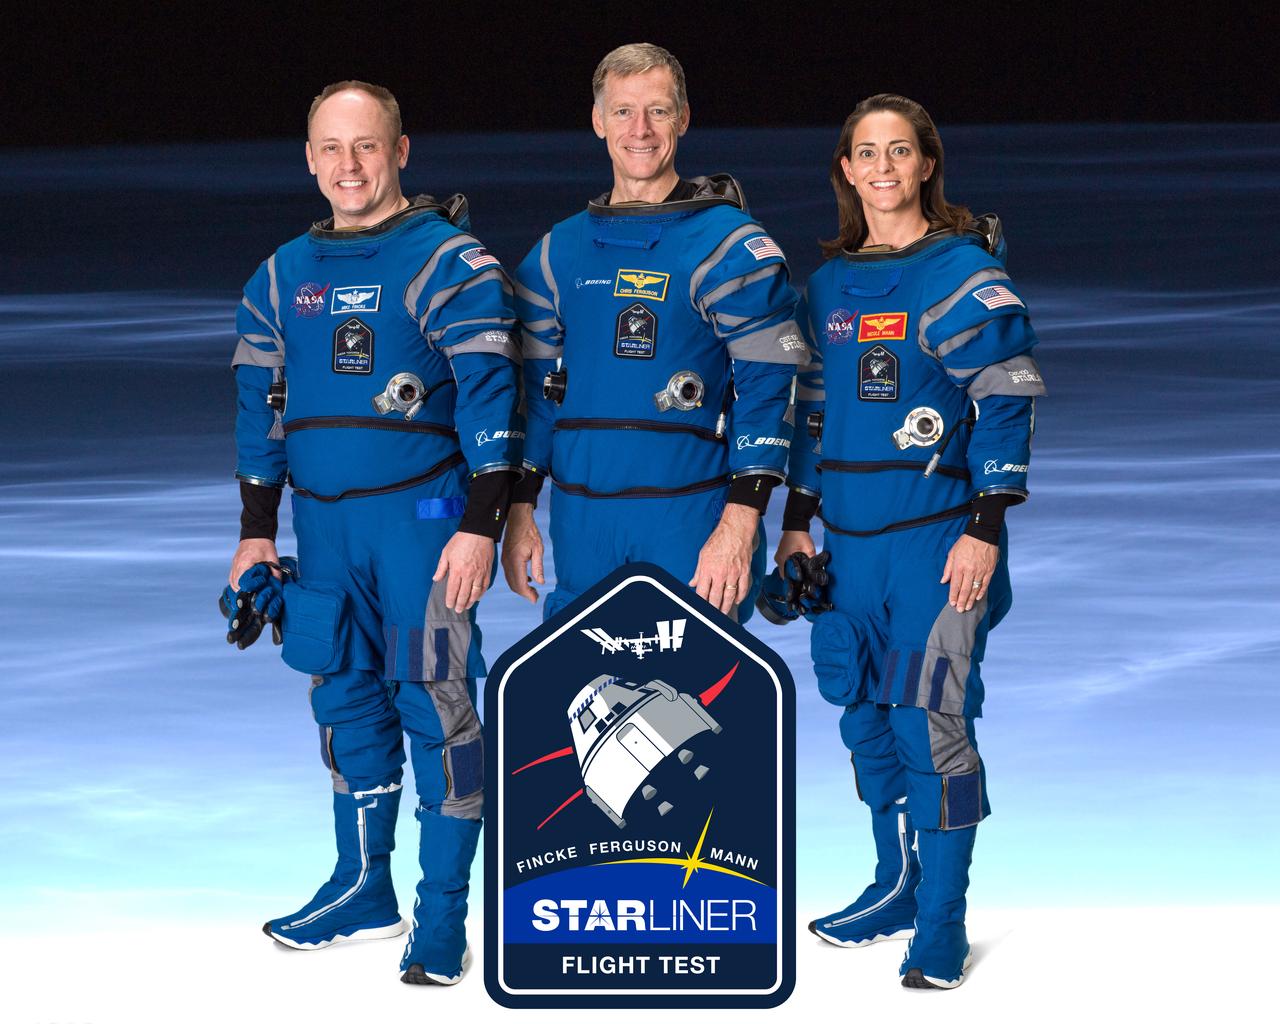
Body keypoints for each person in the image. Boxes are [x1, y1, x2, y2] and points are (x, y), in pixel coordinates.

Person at [229, 80, 523, 985]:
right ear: (310, 157)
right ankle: (364, 887)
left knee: (436, 708)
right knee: (344, 703)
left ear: (402, 152)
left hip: (424, 525)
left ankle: (443, 917)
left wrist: (484, 524)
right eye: (330, 147)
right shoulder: (280, 275)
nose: (348, 165)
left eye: (367, 146)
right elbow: (259, 413)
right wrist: (253, 533)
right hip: (320, 533)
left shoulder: (450, 262)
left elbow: (494, 406)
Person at [775, 94, 1046, 989]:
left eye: (900, 151)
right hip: (848, 547)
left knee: (932, 726)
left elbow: (1004, 402)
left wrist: (986, 527)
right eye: (865, 153)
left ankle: (942, 920)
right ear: (846, 171)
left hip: (938, 543)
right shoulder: (826, 287)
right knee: (867, 723)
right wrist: (796, 525)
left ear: (928, 163)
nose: (883, 167)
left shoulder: (963, 275)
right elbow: (810, 416)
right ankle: (895, 883)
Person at [502, 43, 804, 619]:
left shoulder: (730, 246)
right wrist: (520, 510)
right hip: (582, 529)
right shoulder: (555, 253)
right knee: (587, 702)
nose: (640, 129)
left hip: (694, 525)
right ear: (597, 121)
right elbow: (536, 399)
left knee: (695, 707)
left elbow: (773, 390)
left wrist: (740, 525)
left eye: (659, 111)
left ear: (683, 119)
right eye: (622, 111)